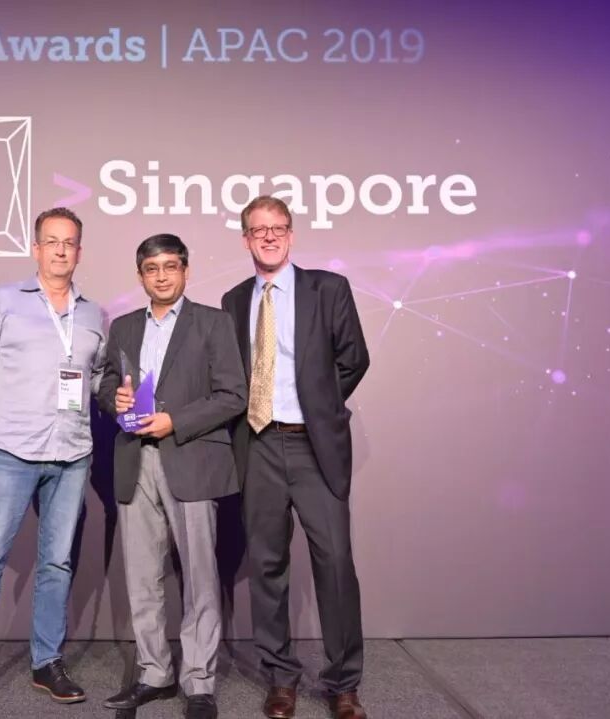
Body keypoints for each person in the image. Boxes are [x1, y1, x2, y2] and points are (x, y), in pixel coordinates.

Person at [0, 208, 106, 719]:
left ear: (80, 251)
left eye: (69, 242)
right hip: (10, 450)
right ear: (36, 249)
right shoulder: (3, 300)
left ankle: (46, 662)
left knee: (57, 563)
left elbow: (94, 380)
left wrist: (120, 396)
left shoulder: (94, 314)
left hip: (72, 453)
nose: (60, 250)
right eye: (51, 241)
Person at [220, 196, 371, 719]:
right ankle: (280, 678)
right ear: (245, 238)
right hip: (257, 444)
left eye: (278, 227)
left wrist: (320, 407)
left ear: (291, 234)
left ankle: (343, 683)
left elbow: (354, 358)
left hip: (313, 445)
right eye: (258, 229)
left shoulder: (328, 288)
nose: (269, 236)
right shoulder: (233, 300)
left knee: (335, 563)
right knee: (267, 565)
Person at [97, 234, 247, 719]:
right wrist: (114, 399)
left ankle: (199, 681)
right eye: (151, 268)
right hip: (133, 460)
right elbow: (106, 382)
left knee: (200, 576)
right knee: (142, 576)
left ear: (185, 270)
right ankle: (154, 673)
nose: (161, 276)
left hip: (191, 459)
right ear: (140, 275)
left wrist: (174, 421)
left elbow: (233, 394)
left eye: (170, 266)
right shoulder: (123, 327)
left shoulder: (213, 322)